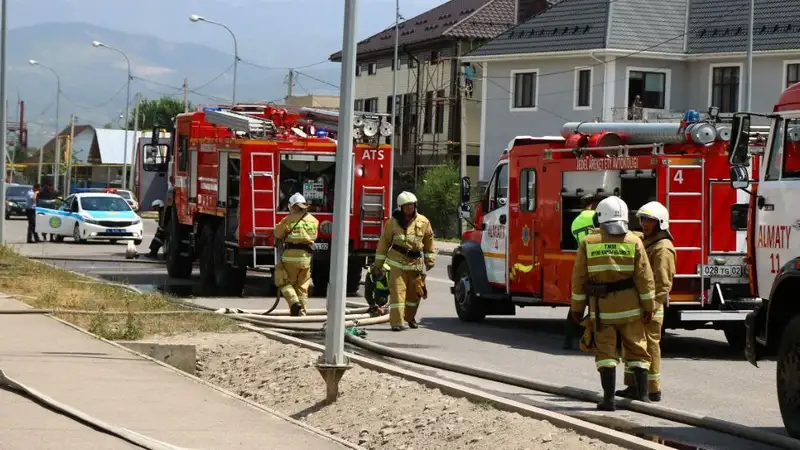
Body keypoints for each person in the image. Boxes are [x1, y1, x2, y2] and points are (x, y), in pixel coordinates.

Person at [570, 195, 656, 411]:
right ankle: (644, 398)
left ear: (599, 217)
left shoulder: (588, 243)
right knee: (638, 350)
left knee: (606, 354)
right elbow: (645, 278)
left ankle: (608, 400)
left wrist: (577, 309)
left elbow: (579, 279)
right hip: (632, 308)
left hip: (602, 310)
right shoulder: (635, 241)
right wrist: (649, 307)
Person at [616, 201, 676, 402]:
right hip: (639, 304)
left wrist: (651, 306)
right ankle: (633, 385)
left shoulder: (662, 248)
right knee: (633, 346)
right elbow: (634, 235)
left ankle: (652, 389)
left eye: (649, 220)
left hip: (651, 307)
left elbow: (662, 283)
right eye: (642, 219)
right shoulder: (648, 241)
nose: (644, 224)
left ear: (660, 222)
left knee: (649, 347)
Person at [372, 191, 435, 331]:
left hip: (415, 264)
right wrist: (378, 265)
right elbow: (383, 244)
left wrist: (429, 259)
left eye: (412, 205)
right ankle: (397, 323)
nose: (410, 208)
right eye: (406, 206)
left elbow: (429, 241)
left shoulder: (423, 222)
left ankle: (409, 318)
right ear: (400, 207)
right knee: (398, 294)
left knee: (415, 295)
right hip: (397, 263)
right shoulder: (392, 223)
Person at [563, 192, 610, 350]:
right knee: (597, 304)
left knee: (577, 302)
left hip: (582, 261)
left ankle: (568, 339)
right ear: (595, 203)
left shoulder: (575, 221)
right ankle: (595, 339)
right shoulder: (596, 217)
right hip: (598, 261)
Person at [274, 193, 319, 316]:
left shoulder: (289, 219)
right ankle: (302, 312)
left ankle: (295, 304)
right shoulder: (313, 220)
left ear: (292, 206)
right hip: (306, 258)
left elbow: (278, 234)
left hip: (290, 257)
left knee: (283, 281)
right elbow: (314, 236)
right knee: (302, 286)